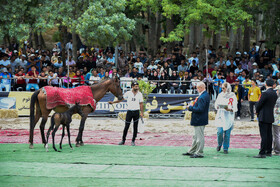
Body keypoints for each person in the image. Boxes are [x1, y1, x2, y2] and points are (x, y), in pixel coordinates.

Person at [109, 82, 144, 146]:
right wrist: (113, 102)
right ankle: (123, 140)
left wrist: (141, 113)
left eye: (137, 86)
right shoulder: (128, 93)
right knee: (126, 127)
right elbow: (121, 99)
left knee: (135, 127)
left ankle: (133, 140)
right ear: (132, 87)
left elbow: (141, 104)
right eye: (136, 86)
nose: (137, 87)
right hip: (129, 112)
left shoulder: (140, 94)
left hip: (136, 111)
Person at [183, 82, 210, 158]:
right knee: (195, 137)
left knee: (199, 137)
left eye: (197, 88)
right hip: (200, 118)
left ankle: (199, 152)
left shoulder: (202, 97)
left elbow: (200, 109)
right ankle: (193, 150)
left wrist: (190, 108)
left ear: (201, 87)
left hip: (199, 119)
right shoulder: (205, 95)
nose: (197, 89)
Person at [254, 79, 277, 158]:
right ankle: (268, 151)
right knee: (269, 134)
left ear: (266, 84)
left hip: (263, 116)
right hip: (270, 115)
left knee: (263, 135)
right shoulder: (274, 93)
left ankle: (262, 152)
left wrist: (256, 111)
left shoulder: (265, 93)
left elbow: (259, 104)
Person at [214, 82, 238, 154]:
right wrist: (217, 107)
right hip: (220, 115)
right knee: (220, 132)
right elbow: (216, 104)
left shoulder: (233, 95)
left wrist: (230, 109)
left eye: (224, 88)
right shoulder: (220, 95)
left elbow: (235, 108)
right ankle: (219, 144)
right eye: (222, 88)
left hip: (228, 116)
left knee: (227, 133)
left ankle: (225, 147)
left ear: (227, 88)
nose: (222, 89)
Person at [272, 85, 280, 155]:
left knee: (276, 135)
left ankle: (277, 150)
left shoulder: (277, 100)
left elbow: (276, 110)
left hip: (277, 120)